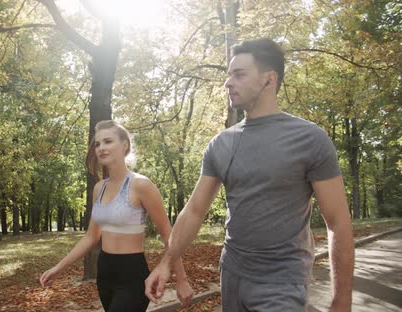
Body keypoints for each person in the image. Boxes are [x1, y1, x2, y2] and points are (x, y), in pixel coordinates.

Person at [145, 38, 354, 312]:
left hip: (283, 281)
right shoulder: (221, 144)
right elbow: (194, 210)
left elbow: (337, 222)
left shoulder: (309, 138)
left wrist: (342, 299)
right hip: (232, 275)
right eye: (228, 74)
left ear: (269, 79)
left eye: (239, 74)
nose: (227, 83)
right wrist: (166, 263)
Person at [39, 120, 194, 311]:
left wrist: (182, 279)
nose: (101, 148)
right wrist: (58, 268)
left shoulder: (141, 185)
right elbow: (91, 236)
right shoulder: (99, 188)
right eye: (97, 144)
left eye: (108, 141)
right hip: (104, 273)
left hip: (132, 275)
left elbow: (168, 234)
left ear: (124, 145)